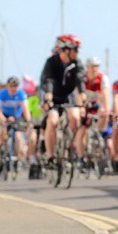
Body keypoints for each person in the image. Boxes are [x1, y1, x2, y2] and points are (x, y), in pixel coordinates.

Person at [40, 34, 86, 165]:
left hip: (68, 97)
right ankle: (50, 157)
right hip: (53, 97)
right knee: (52, 122)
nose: (77, 53)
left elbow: (80, 80)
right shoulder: (51, 62)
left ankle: (70, 147)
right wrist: (48, 95)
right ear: (66, 50)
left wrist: (82, 97)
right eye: (75, 49)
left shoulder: (77, 63)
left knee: (75, 117)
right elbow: (48, 80)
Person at [0, 76, 32, 162]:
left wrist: (29, 121)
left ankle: (18, 159)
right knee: (1, 136)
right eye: (11, 86)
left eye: (16, 86)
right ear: (7, 86)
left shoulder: (21, 94)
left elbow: (26, 109)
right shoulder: (2, 94)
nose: (14, 88)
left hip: (16, 118)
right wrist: (4, 120)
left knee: (18, 136)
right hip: (5, 116)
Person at [82, 56, 111, 161]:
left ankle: (99, 135)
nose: (94, 69)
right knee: (82, 128)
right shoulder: (83, 78)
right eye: (92, 67)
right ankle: (83, 153)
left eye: (96, 67)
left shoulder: (103, 78)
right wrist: (82, 107)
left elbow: (106, 95)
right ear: (87, 68)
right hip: (85, 104)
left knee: (104, 113)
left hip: (96, 104)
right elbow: (79, 95)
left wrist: (106, 110)